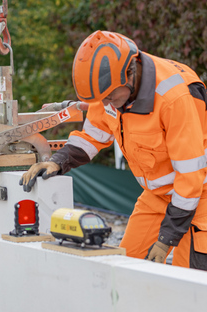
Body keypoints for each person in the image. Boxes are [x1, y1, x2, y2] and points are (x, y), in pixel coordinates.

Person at [20, 30, 207, 270]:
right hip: (157, 196)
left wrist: (166, 239)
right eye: (101, 99)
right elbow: (94, 134)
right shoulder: (110, 90)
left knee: (191, 285)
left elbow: (191, 178)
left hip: (199, 196)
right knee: (124, 266)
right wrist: (59, 161)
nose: (105, 103)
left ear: (131, 71)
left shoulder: (175, 99)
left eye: (109, 96)